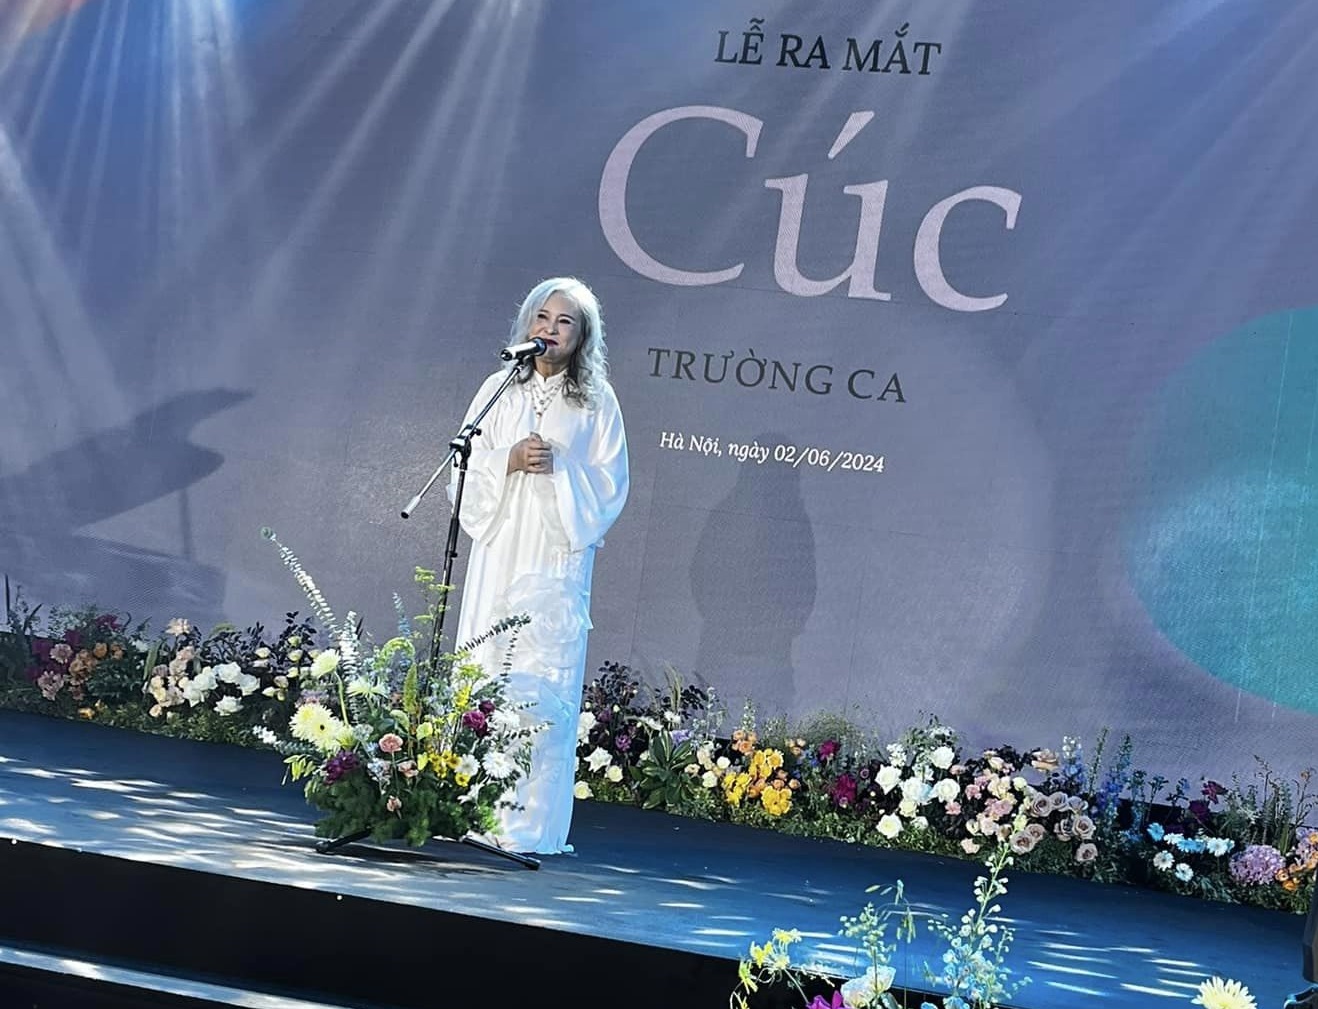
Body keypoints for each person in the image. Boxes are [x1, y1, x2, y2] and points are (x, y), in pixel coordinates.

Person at [447, 276, 629, 854]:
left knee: (538, 675)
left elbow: (611, 485)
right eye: (542, 317)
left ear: (582, 336)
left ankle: (525, 823)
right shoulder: (499, 387)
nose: (550, 329)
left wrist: (560, 468)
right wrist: (506, 459)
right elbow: (463, 465)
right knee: (486, 663)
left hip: (553, 556)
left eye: (564, 321)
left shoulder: (596, 401)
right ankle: (464, 802)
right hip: (500, 548)